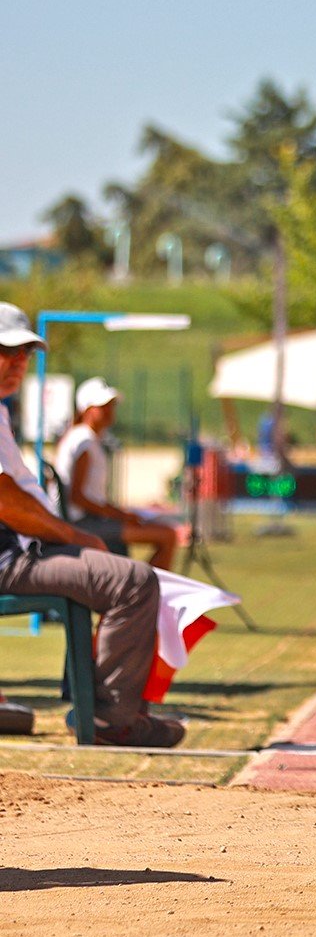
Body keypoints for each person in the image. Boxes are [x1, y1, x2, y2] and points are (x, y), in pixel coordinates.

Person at [0, 306, 181, 746]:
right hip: (13, 555)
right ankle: (108, 718)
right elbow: (8, 500)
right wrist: (76, 535)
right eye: (8, 351)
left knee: (139, 570)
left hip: (28, 546)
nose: (19, 362)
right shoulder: (80, 439)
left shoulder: (3, 412)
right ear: (89, 409)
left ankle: (109, 705)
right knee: (134, 581)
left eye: (26, 353)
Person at [54, 377, 180, 569]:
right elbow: (78, 497)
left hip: (88, 519)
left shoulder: (84, 438)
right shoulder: (84, 442)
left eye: (111, 405)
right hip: (84, 523)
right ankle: (142, 586)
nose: (109, 410)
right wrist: (120, 515)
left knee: (165, 532)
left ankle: (141, 584)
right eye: (103, 406)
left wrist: (118, 513)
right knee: (168, 536)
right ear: (87, 410)